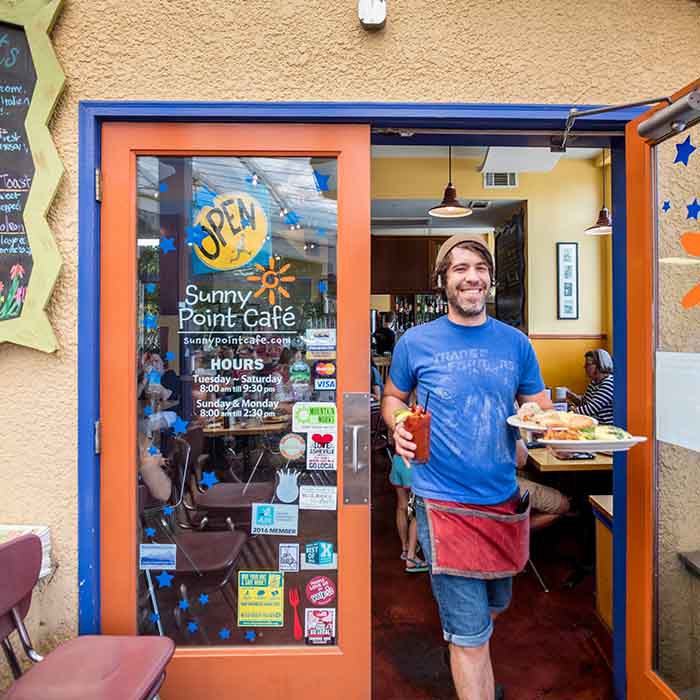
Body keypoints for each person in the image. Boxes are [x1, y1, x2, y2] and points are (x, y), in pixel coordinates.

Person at [382, 233, 551, 700]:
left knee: (495, 605)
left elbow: (537, 402)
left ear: (491, 279)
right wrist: (398, 422)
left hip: (502, 499)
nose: (471, 276)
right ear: (443, 282)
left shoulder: (516, 344)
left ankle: (462, 646)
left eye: (479, 267)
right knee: (472, 636)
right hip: (442, 504)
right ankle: (466, 655)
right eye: (459, 269)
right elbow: (393, 398)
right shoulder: (416, 343)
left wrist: (540, 416)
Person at [515, 439, 570, 528]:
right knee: (563, 504)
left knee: (539, 478)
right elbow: (521, 461)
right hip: (494, 482)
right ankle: (507, 531)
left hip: (489, 479)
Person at [389, 453, 428, 572]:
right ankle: (411, 557)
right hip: (412, 464)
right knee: (419, 511)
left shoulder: (395, 432)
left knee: (402, 506)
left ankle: (405, 548)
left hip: (398, 461)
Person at [566, 349, 614, 425]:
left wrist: (568, 410)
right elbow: (584, 403)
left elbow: (590, 409)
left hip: (604, 427)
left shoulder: (609, 383)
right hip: (593, 423)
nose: (584, 366)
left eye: (588, 364)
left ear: (600, 365)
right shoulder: (594, 382)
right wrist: (570, 395)